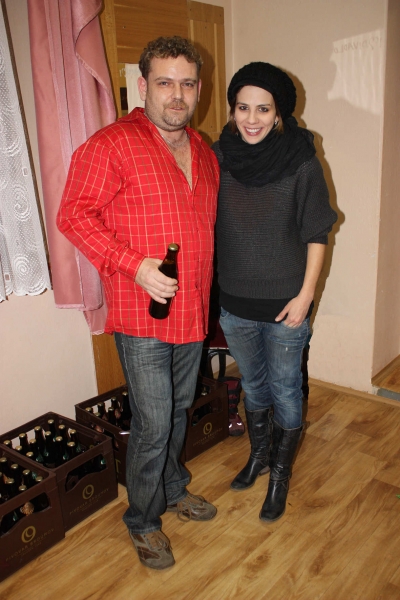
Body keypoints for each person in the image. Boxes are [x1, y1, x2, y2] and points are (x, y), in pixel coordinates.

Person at [57, 36, 220, 570]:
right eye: (165, 82)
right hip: (142, 314)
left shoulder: (204, 152)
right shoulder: (111, 144)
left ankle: (172, 487)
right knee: (153, 422)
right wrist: (136, 266)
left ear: (199, 88)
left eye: (187, 83)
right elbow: (73, 214)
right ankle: (144, 521)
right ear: (143, 85)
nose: (177, 95)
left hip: (192, 310)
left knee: (178, 408)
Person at [212, 62, 337, 522]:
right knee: (254, 385)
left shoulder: (300, 161)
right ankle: (259, 456)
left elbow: (317, 234)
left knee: (285, 389)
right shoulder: (218, 157)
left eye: (263, 109)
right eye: (242, 107)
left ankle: (280, 475)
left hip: (287, 305)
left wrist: (305, 297)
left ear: (279, 111)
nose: (251, 118)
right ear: (232, 109)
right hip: (234, 305)